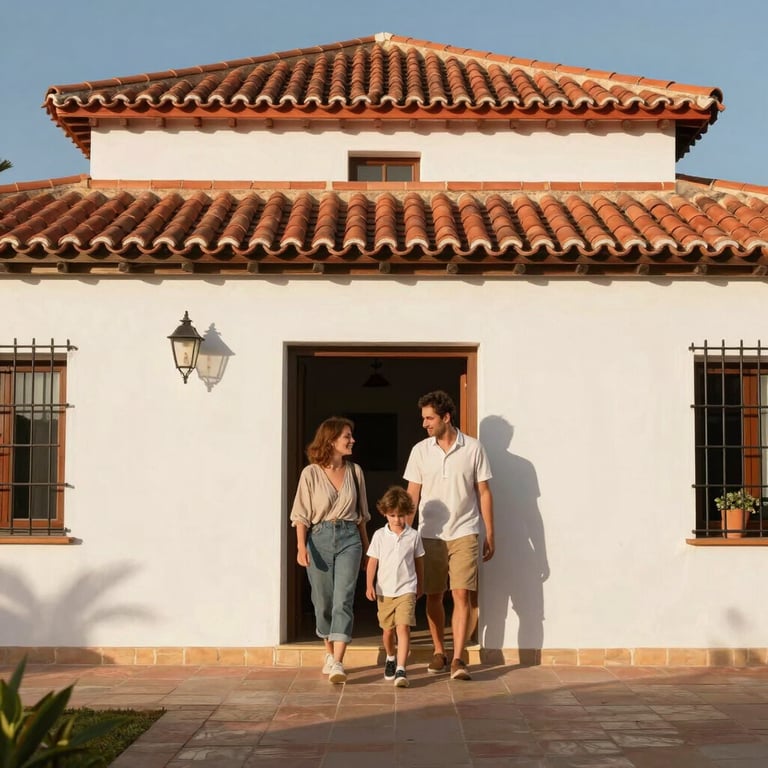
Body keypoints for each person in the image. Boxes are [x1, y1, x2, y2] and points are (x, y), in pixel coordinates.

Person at [404, 390, 494, 681]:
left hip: (465, 530)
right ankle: (439, 650)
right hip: (429, 534)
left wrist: (490, 532)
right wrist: (404, 531)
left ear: (446, 417)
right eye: (423, 419)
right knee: (433, 595)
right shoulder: (420, 450)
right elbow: (412, 493)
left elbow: (483, 491)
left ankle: (458, 658)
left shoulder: (474, 448)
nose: (425, 424)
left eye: (429, 418)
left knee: (461, 593)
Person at [290, 417, 370, 684]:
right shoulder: (310, 474)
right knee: (322, 602)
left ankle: (338, 661)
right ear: (331, 440)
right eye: (347, 436)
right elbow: (300, 515)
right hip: (319, 538)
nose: (353, 440)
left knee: (343, 599)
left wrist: (367, 547)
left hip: (350, 538)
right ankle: (328, 651)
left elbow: (362, 515)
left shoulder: (356, 471)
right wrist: (301, 547)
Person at [365, 486, 425, 688]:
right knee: (387, 631)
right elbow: (372, 562)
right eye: (392, 515)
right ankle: (390, 657)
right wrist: (369, 585)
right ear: (384, 513)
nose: (397, 520)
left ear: (408, 513)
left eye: (401, 515)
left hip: (406, 589)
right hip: (384, 591)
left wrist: (420, 585)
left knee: (403, 627)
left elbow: (419, 563)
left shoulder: (413, 536)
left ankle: (401, 667)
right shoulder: (379, 536)